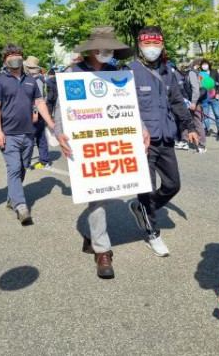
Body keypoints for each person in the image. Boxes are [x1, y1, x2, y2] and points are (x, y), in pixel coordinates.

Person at [55, 26, 133, 279]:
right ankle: (103, 251)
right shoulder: (72, 73)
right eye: (102, 47)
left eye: (110, 47)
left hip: (111, 142)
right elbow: (60, 108)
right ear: (90, 50)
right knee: (97, 195)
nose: (107, 52)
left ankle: (91, 237)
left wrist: (140, 129)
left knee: (104, 193)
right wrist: (59, 132)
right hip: (83, 142)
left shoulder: (117, 73)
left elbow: (129, 107)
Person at [126, 26, 200, 257]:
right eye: (148, 44)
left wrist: (190, 127)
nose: (152, 49)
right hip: (143, 141)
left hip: (166, 137)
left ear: (162, 45)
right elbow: (122, 105)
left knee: (172, 185)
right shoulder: (128, 70)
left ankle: (143, 210)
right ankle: (152, 233)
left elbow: (178, 102)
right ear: (140, 45)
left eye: (156, 44)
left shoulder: (167, 71)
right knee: (146, 189)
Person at [0, 44, 54, 226]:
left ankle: (12, 198)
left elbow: (40, 102)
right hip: (8, 134)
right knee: (14, 167)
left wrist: (51, 124)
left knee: (23, 166)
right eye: (11, 55)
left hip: (28, 132)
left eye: (18, 54)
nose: (15, 57)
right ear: (5, 59)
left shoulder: (31, 80)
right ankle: (21, 206)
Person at [23, 56, 51, 169]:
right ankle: (44, 161)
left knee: (31, 137)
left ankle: (27, 162)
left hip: (36, 113)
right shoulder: (37, 78)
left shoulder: (36, 80)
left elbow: (38, 99)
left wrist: (34, 112)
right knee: (40, 136)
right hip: (38, 112)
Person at [180, 61, 207, 152]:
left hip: (193, 102)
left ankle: (201, 145)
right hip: (189, 101)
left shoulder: (191, 73)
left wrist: (194, 102)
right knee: (186, 120)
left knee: (197, 122)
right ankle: (185, 141)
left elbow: (196, 89)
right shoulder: (193, 73)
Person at [198, 59, 219, 137]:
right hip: (204, 98)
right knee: (205, 115)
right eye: (203, 64)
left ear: (209, 64)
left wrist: (218, 93)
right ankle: (208, 129)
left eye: (206, 64)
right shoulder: (200, 74)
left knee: (217, 114)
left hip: (214, 97)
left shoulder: (214, 72)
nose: (204, 66)